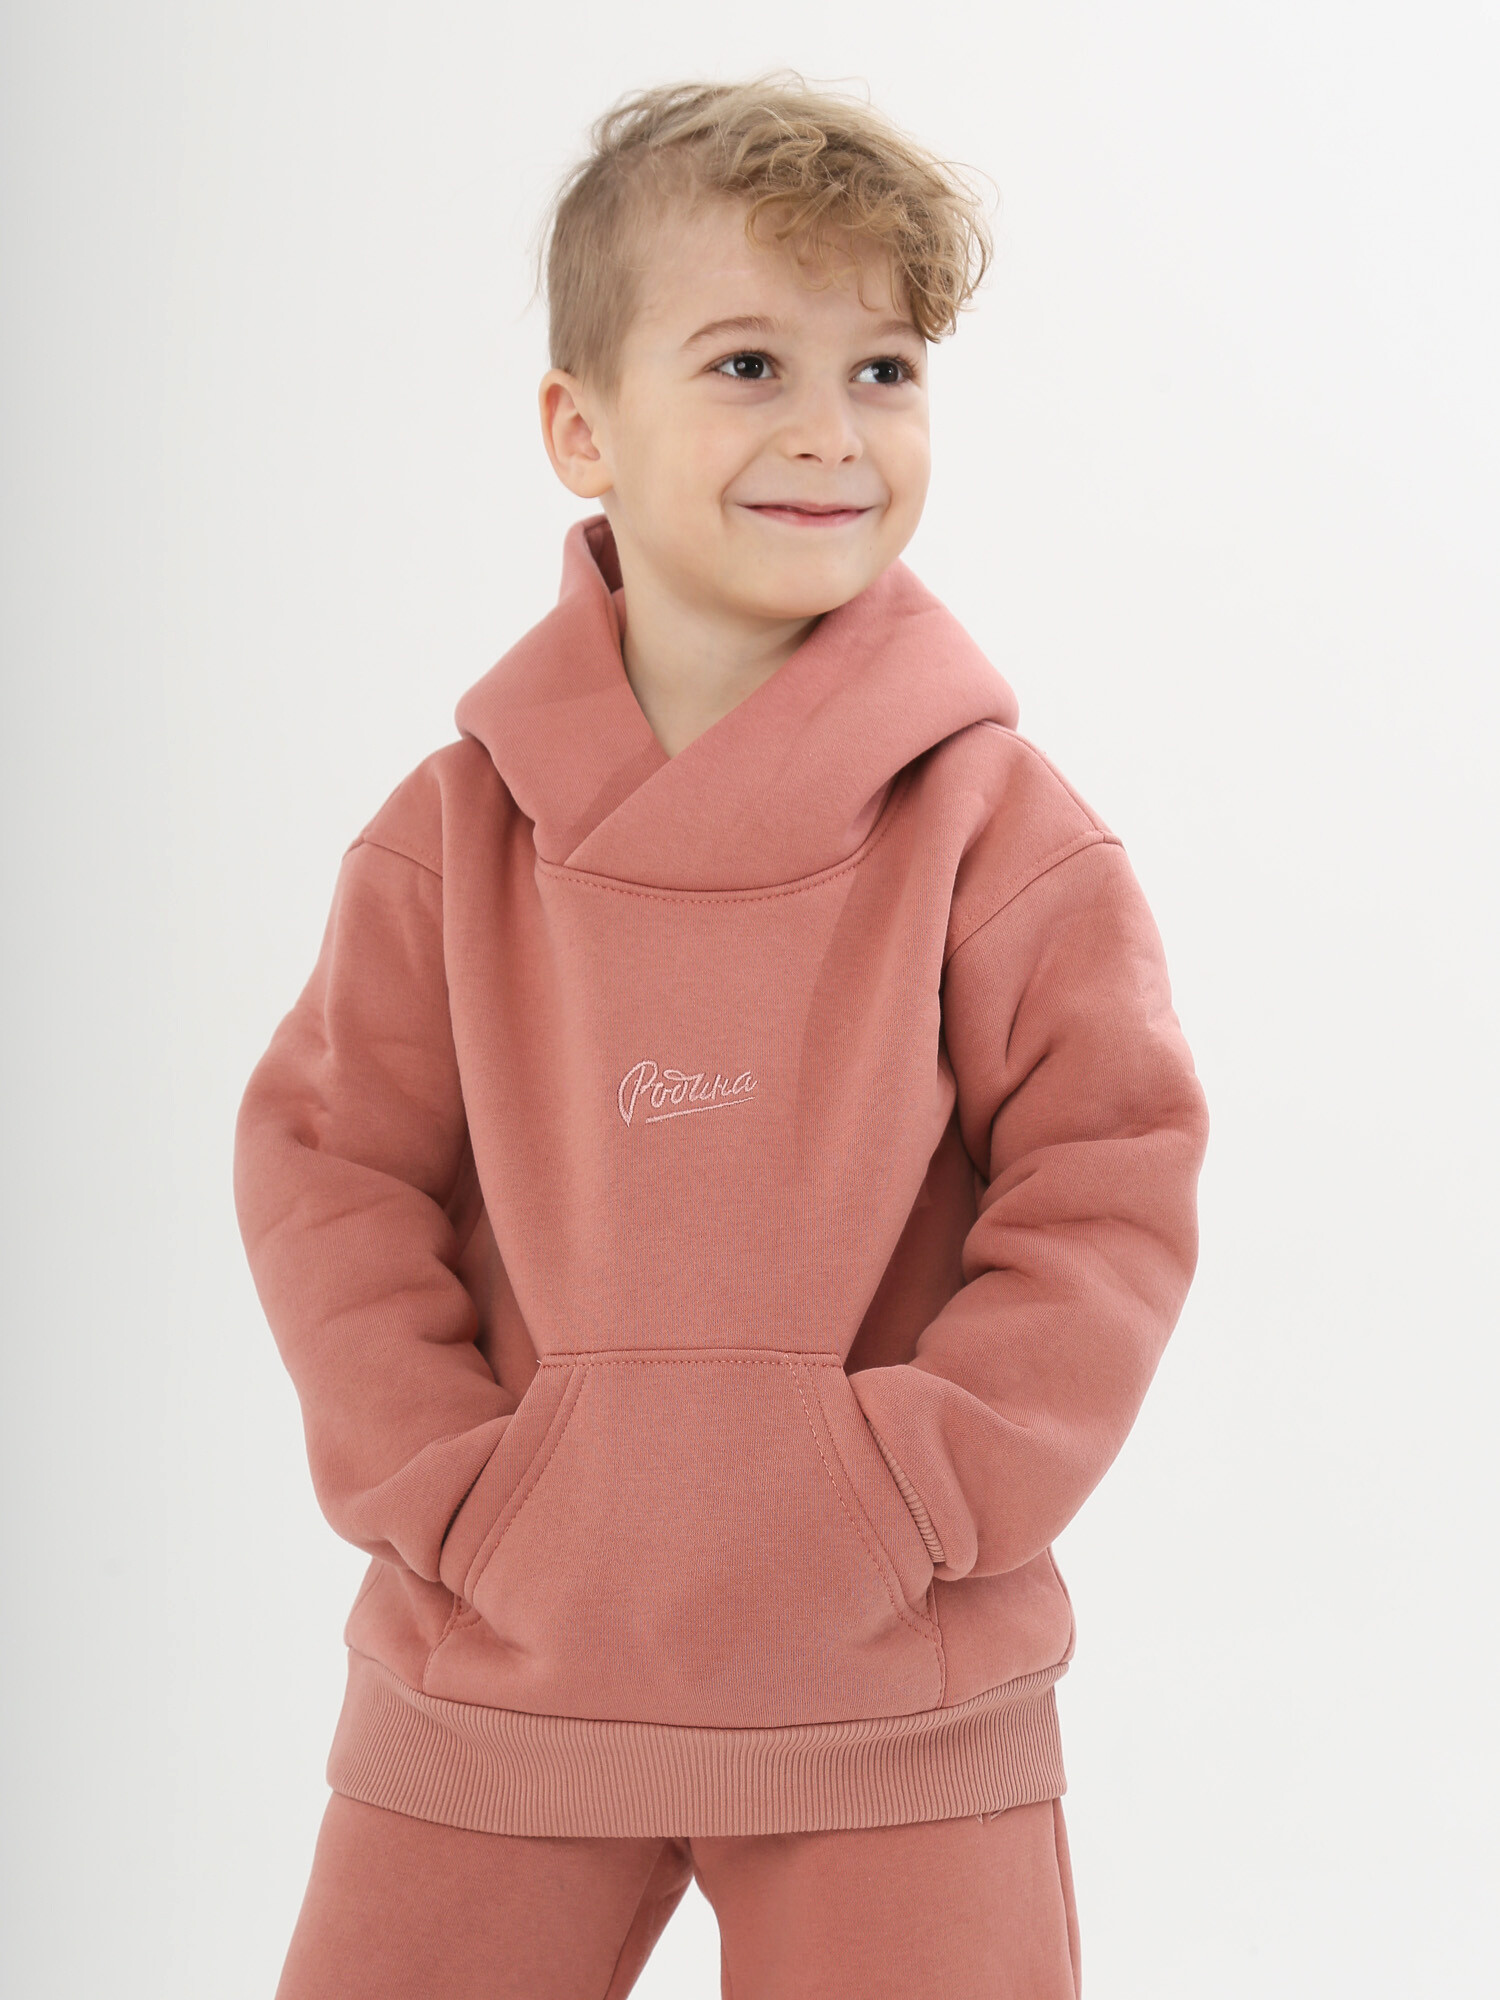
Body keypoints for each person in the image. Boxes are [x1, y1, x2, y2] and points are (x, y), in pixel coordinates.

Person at [234, 70, 1210, 2000]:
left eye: (885, 370)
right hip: (501, 1679)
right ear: (579, 429)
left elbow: (1110, 1176)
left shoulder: (1001, 834)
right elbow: (330, 1168)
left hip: (891, 1693)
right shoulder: (453, 835)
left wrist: (926, 1486)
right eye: (751, 364)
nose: (832, 432)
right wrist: (447, 1485)